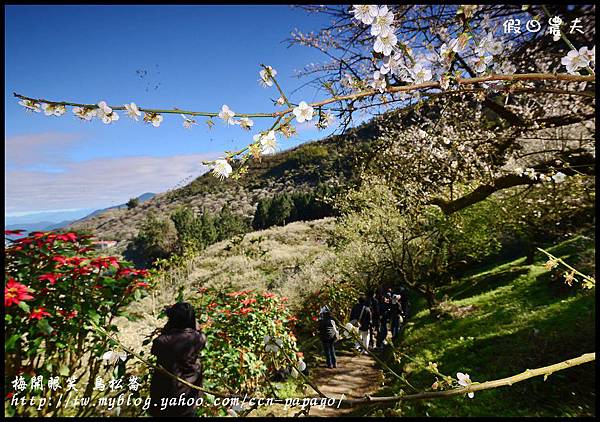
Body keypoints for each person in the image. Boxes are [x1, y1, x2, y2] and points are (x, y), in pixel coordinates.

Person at [150, 302, 207, 417]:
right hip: (189, 395)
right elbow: (197, 332)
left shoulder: (161, 341)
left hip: (165, 395)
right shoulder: (199, 338)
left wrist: (167, 329)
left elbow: (155, 351)